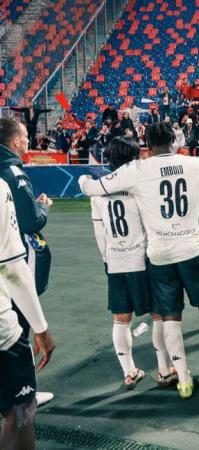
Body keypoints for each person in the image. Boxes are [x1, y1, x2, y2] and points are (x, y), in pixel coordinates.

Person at [79, 123, 199, 399]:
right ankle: (191, 366)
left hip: (137, 258)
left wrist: (83, 180)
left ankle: (155, 374)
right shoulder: (188, 165)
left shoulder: (128, 178)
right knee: (186, 309)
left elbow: (96, 212)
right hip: (171, 252)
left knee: (146, 318)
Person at [90, 138, 176, 389]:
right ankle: (164, 370)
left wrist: (107, 259)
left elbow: (100, 233)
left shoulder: (99, 191)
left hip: (116, 261)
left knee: (121, 319)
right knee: (158, 315)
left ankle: (129, 371)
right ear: (133, 158)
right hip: (143, 259)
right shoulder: (140, 186)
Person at [0, 117, 55, 407]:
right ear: (15, 141)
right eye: (25, 137)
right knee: (19, 319)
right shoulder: (11, 172)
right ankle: (25, 389)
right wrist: (42, 207)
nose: (28, 141)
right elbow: (30, 221)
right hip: (12, 254)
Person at [0, 177, 55, 450]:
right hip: (3, 335)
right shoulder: (1, 187)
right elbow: (11, 266)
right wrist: (41, 328)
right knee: (20, 412)